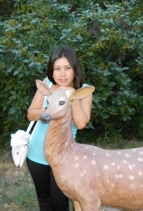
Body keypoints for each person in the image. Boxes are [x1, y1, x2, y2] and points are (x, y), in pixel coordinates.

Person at [26, 46, 93, 211]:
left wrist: (71, 94)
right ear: (52, 71)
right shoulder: (47, 85)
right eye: (57, 69)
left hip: (64, 157)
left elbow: (81, 123)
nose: (62, 74)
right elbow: (31, 113)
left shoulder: (83, 91)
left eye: (67, 68)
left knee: (60, 203)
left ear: (75, 70)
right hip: (36, 154)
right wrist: (51, 111)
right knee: (44, 200)